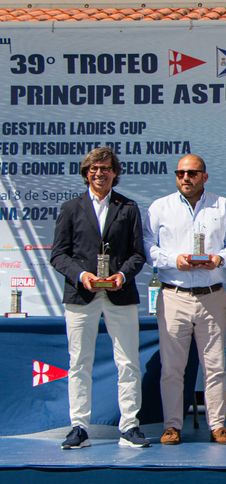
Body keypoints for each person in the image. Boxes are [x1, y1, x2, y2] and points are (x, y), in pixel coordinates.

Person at [50, 146, 149, 449]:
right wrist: (82, 276)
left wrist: (121, 276)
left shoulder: (128, 207)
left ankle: (129, 426)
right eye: (94, 168)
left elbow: (137, 254)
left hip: (120, 294)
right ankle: (79, 427)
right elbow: (58, 255)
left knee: (128, 362)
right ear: (86, 173)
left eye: (105, 168)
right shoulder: (70, 208)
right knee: (79, 362)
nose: (99, 173)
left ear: (114, 173)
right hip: (82, 295)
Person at [144, 154, 226, 445]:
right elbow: (148, 246)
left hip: (212, 296)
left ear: (205, 176)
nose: (186, 178)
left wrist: (219, 258)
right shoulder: (160, 207)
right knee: (172, 367)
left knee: (215, 365)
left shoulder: (221, 205)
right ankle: (172, 426)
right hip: (173, 295)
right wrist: (175, 260)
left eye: (192, 173)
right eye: (180, 173)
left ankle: (218, 425)